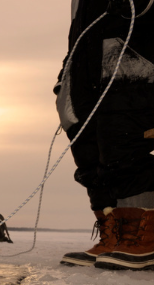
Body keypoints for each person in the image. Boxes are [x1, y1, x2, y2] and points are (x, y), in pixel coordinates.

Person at [55, 0, 154, 269]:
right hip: (86, 62)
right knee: (88, 148)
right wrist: (68, 69)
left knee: (124, 141)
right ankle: (115, 234)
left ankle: (142, 235)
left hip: (132, 52)